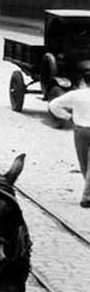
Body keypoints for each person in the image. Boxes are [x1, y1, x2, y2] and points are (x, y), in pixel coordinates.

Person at [48, 61, 90, 207]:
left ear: (83, 81)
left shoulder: (75, 95)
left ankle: (87, 195)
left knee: (84, 163)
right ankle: (88, 194)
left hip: (80, 131)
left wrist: (67, 117)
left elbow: (53, 105)